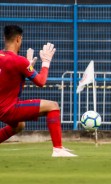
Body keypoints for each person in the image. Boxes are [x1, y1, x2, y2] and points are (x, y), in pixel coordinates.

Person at [0, 25, 77, 157]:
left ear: (4, 38)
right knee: (53, 106)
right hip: (9, 109)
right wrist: (46, 63)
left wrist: (26, 69)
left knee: (18, 126)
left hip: (3, 107)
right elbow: (41, 81)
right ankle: (58, 149)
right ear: (18, 39)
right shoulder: (19, 61)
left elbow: (10, 82)